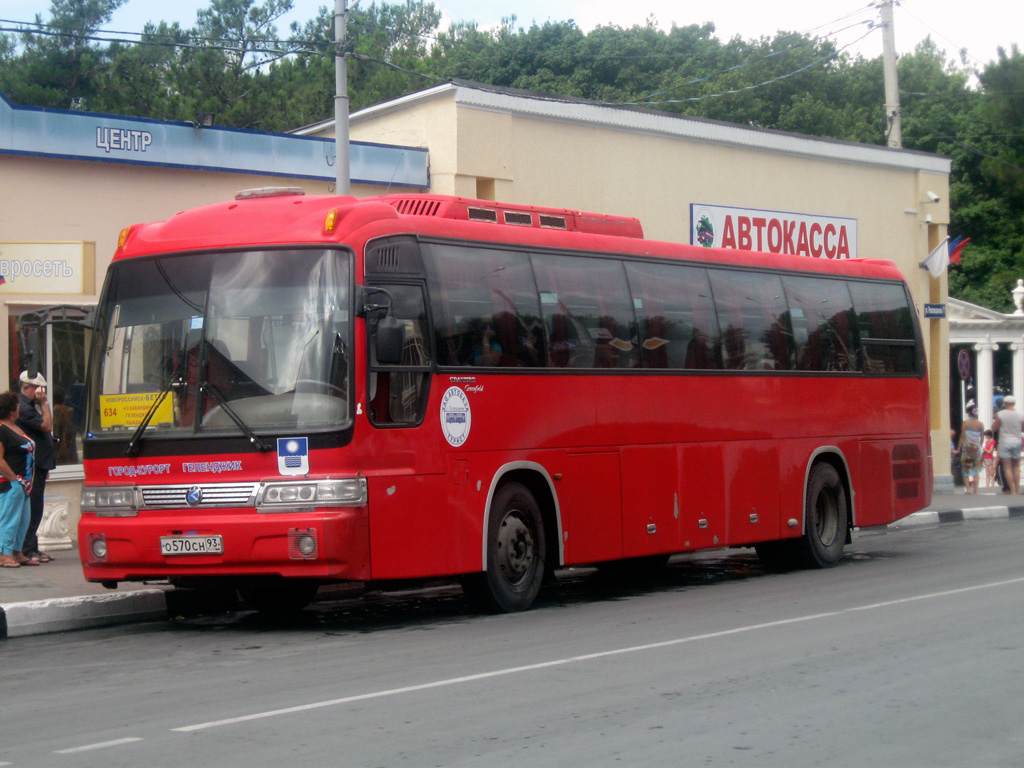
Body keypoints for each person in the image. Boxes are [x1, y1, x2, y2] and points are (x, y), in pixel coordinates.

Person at [16, 371, 54, 563]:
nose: (41, 392)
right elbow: (47, 426)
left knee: (36, 506)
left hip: (38, 463)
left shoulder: (28, 405)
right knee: (33, 506)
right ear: (27, 387)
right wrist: (45, 403)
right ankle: (27, 548)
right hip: (31, 464)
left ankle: (32, 547)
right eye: (38, 389)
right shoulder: (24, 408)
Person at [0, 391, 36, 568]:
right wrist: (13, 478)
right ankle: (4, 555)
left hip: (25, 483)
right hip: (12, 482)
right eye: (16, 405)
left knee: (24, 518)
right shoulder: (1, 429)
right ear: (11, 409)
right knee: (10, 518)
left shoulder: (16, 428)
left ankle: (17, 552)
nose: (19, 408)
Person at [992, 395, 1024, 495]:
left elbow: (994, 428)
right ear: (1014, 403)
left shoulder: (1000, 414)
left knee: (1007, 467)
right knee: (1016, 467)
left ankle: (1012, 490)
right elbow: (1023, 429)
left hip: (1005, 442)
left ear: (1005, 403)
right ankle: (1018, 489)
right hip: (1017, 442)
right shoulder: (1020, 415)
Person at [955, 402, 984, 494]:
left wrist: (958, 448)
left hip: (967, 448)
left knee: (965, 470)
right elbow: (982, 438)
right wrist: (979, 446)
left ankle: (968, 489)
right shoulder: (980, 424)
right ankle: (976, 490)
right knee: (976, 470)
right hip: (976, 448)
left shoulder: (965, 423)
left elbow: (962, 436)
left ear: (969, 413)